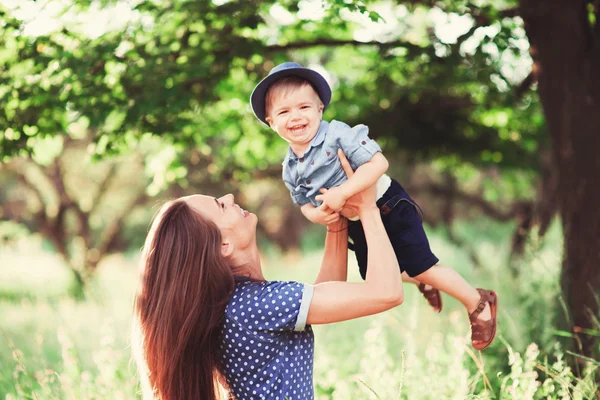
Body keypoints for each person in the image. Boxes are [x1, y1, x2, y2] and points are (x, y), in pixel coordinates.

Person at [250, 61, 498, 350]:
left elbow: (378, 163)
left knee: (422, 265)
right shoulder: (290, 168)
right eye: (283, 111)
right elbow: (303, 203)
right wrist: (318, 216)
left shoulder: (339, 134)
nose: (295, 117)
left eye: (304, 107)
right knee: (377, 275)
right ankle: (422, 281)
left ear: (320, 109)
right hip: (359, 222)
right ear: (271, 122)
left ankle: (478, 302)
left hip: (389, 204)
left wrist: (343, 193)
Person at [132, 152, 405, 399]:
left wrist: (337, 224)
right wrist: (366, 206)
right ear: (222, 246)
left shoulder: (238, 303)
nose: (229, 198)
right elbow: (386, 292)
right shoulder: (255, 305)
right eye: (221, 206)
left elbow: (323, 293)